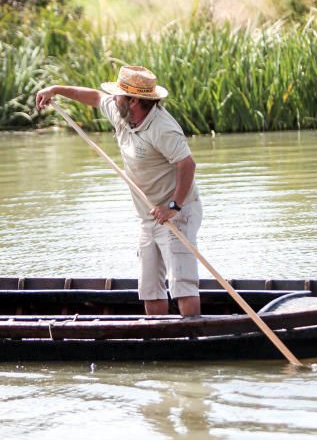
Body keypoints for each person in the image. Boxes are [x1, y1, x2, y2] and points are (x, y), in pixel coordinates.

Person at [35, 65, 202, 317]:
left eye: (119, 95)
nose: (113, 99)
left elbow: (187, 164)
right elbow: (93, 96)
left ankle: (193, 341)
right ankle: (159, 340)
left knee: (182, 284)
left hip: (177, 213)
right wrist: (56, 90)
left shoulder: (162, 128)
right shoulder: (121, 112)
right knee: (149, 287)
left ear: (134, 101)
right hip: (148, 215)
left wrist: (174, 207)